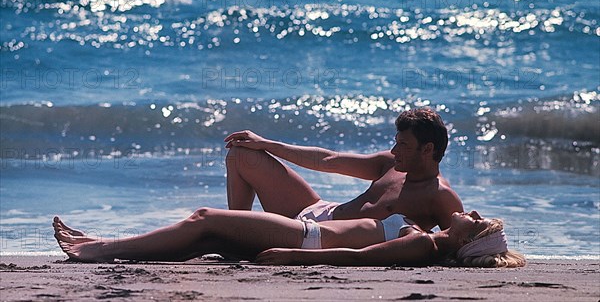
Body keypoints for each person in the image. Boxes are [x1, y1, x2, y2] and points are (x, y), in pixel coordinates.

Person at [224, 107, 463, 231]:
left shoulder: (440, 196)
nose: (393, 150)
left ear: (427, 149)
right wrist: (267, 144)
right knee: (241, 154)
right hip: (316, 210)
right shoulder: (390, 164)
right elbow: (329, 160)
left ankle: (235, 235)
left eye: (403, 145)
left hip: (315, 235)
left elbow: (459, 241)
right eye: (395, 141)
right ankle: (235, 228)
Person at [53, 209, 525, 268]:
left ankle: (98, 249)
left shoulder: (426, 245)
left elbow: (357, 258)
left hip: (307, 239)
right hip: (308, 233)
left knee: (202, 220)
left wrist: (292, 257)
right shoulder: (429, 237)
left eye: (477, 222)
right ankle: (101, 244)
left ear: (467, 242)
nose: (474, 212)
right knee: (203, 240)